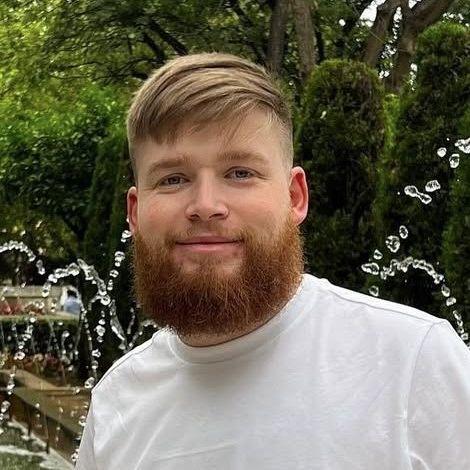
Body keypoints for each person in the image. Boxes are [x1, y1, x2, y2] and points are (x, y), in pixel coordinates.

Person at [76, 52, 470, 470]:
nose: (206, 206)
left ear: (294, 196)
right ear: (135, 213)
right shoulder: (116, 404)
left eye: (240, 173)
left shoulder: (414, 364)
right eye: (173, 179)